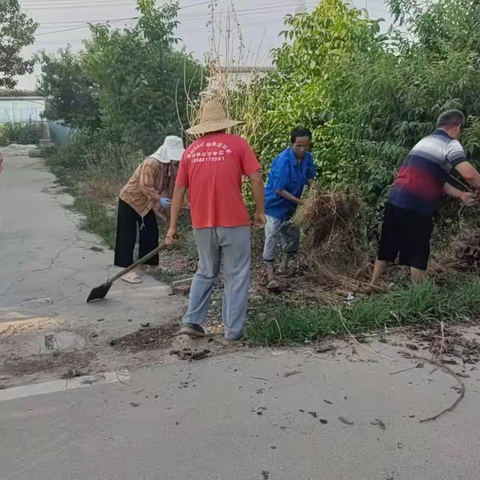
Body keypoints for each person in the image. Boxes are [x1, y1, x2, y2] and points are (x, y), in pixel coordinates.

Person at [166, 100, 265, 340]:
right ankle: (232, 332)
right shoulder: (238, 144)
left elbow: (178, 190)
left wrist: (171, 227)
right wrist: (260, 211)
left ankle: (192, 320)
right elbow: (256, 178)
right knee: (236, 275)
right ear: (225, 124)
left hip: (202, 223)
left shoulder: (191, 151)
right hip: (234, 222)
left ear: (203, 126)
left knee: (206, 271)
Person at [371, 110, 480, 286]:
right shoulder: (450, 144)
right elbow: (469, 174)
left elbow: (436, 180)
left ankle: (373, 285)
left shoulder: (425, 141)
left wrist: (461, 194)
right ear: (457, 127)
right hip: (416, 202)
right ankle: (419, 296)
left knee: (387, 246)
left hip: (395, 197)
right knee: (418, 252)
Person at [114, 136, 185, 284]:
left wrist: (178, 204)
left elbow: (174, 187)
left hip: (147, 203)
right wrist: (159, 198)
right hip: (130, 200)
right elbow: (144, 185)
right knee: (127, 235)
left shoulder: (172, 166)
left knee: (151, 231)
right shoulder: (151, 162)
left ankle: (151, 264)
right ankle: (125, 269)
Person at [263, 127, 316, 290]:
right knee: (271, 235)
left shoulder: (307, 158)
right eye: (298, 146)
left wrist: (316, 190)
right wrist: (303, 203)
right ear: (292, 143)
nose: (302, 149)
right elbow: (279, 190)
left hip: (293, 204)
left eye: (305, 146)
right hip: (275, 204)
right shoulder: (283, 160)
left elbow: (309, 178)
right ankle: (270, 273)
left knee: (293, 235)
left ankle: (283, 267)